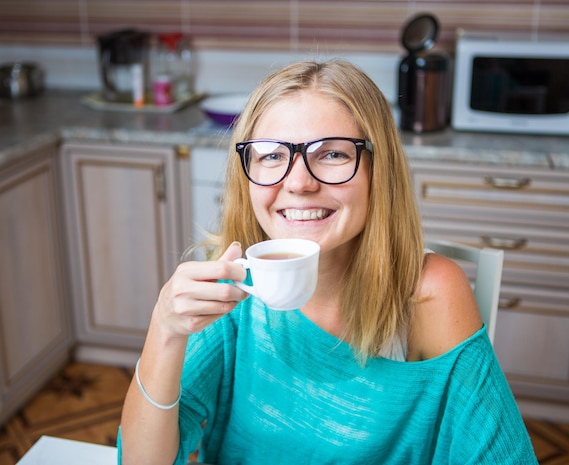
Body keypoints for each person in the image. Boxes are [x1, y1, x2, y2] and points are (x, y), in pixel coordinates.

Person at [118, 59, 538, 465]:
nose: (299, 182)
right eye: (271, 155)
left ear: (379, 169)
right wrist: (165, 329)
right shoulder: (232, 284)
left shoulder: (427, 293)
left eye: (333, 154)